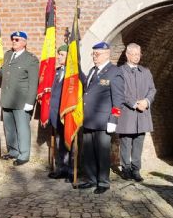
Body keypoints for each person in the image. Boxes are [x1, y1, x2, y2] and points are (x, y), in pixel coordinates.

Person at [79, 41, 124, 194]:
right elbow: (88, 89)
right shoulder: (92, 70)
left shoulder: (114, 72)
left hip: (104, 121)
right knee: (89, 152)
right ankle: (91, 179)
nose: (94, 57)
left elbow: (118, 100)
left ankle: (103, 182)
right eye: (93, 53)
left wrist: (114, 119)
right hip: (89, 119)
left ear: (106, 54)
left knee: (102, 153)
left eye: (97, 54)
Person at [0, 31, 39, 166]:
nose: (14, 41)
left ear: (24, 42)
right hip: (7, 99)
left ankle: (24, 155)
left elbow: (33, 82)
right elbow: (5, 72)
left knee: (22, 128)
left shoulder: (30, 59)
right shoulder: (8, 55)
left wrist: (30, 101)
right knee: (9, 128)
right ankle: (13, 151)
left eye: (17, 39)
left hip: (21, 101)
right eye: (13, 39)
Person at [116, 43, 156, 182]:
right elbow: (121, 91)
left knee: (139, 142)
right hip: (127, 113)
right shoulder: (120, 71)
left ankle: (136, 169)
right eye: (133, 54)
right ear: (127, 55)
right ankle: (125, 169)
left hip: (142, 113)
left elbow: (152, 90)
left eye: (138, 54)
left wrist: (146, 101)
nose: (136, 57)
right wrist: (134, 103)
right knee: (126, 143)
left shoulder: (146, 72)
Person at [47, 44, 72, 182]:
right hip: (56, 114)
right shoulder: (57, 72)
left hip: (68, 114)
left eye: (62, 54)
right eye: (59, 54)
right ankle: (61, 168)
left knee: (69, 142)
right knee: (59, 142)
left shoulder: (73, 73)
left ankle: (70, 170)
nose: (58, 57)